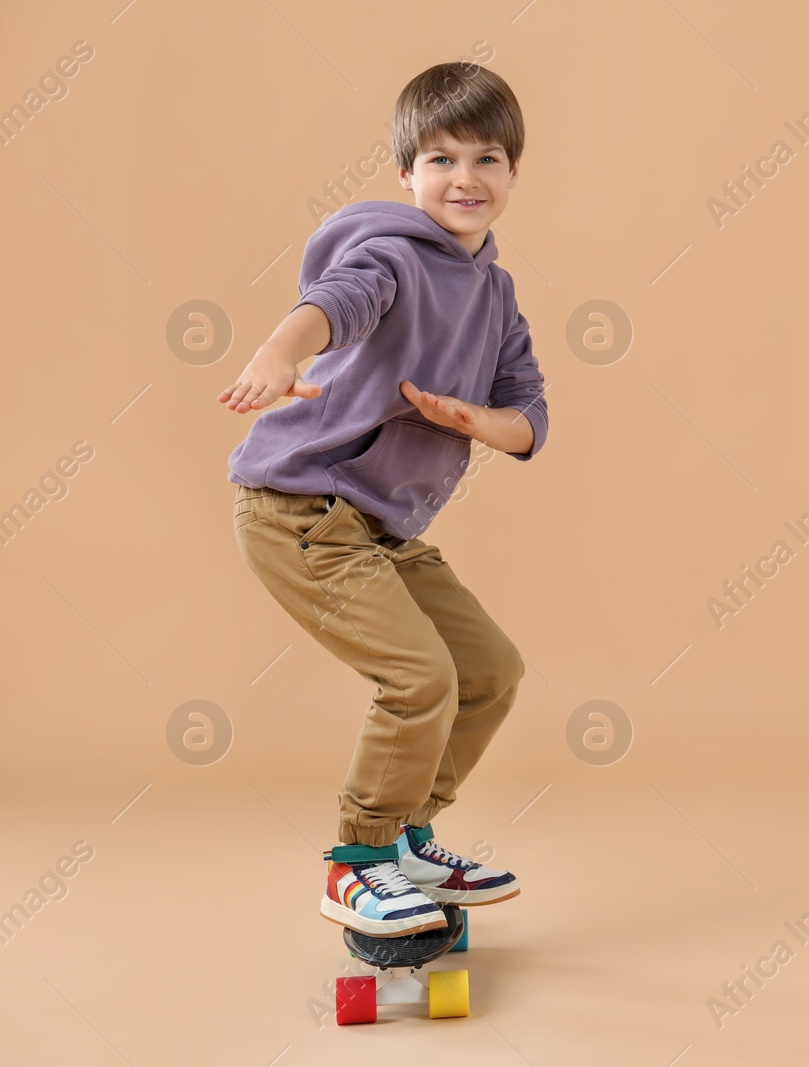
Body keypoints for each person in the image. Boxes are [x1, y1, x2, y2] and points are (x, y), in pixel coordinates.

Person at [217, 60, 547, 937]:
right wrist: (284, 352)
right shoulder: (392, 254)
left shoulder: (497, 293)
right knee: (418, 676)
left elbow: (528, 417)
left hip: (382, 528)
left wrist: (478, 419)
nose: (465, 179)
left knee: (489, 672)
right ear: (406, 174)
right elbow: (335, 303)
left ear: (515, 173)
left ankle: (404, 837)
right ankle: (357, 862)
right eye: (441, 160)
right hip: (301, 513)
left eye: (487, 160)